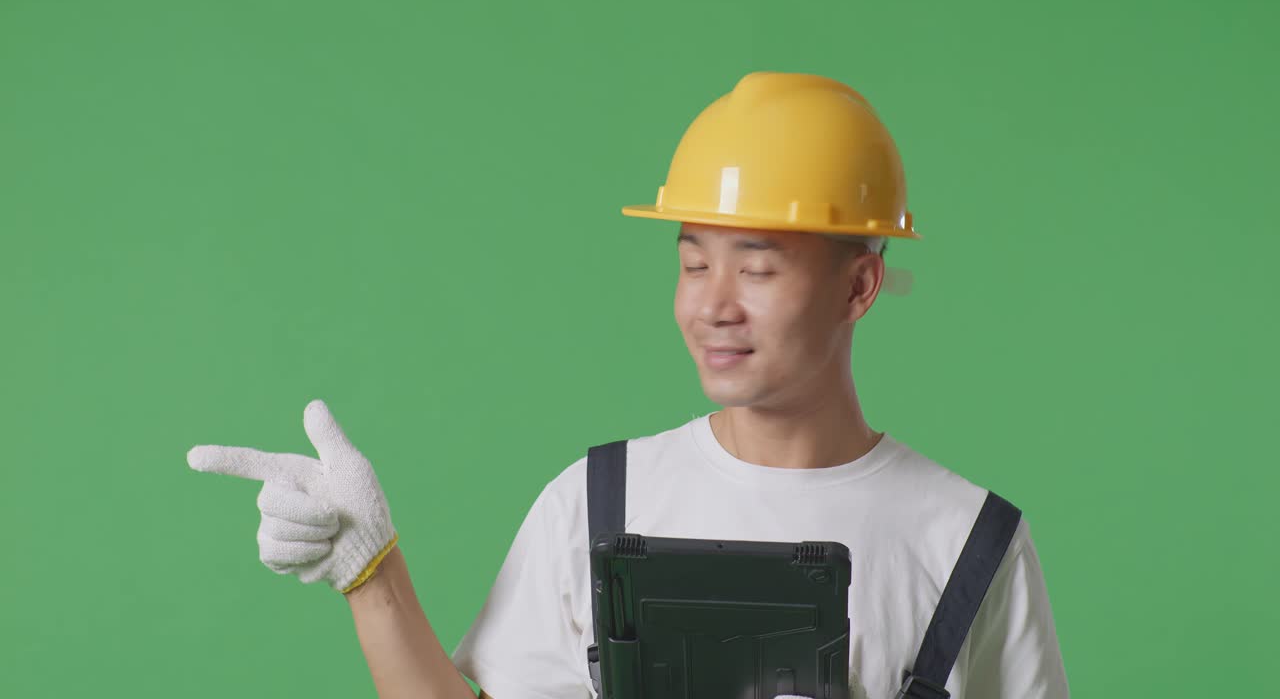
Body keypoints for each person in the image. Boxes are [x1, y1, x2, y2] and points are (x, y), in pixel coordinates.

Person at [187, 71, 1070, 699]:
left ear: (858, 287)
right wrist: (369, 574)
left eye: (757, 271)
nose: (712, 306)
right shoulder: (598, 499)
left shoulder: (969, 543)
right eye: (693, 264)